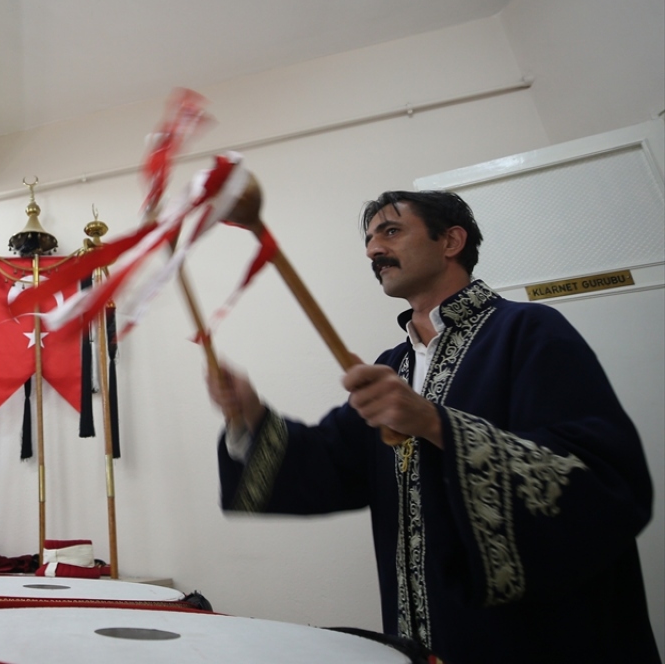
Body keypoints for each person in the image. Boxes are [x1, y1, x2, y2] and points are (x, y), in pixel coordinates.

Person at [210, 190, 657, 663]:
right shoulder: (393, 365)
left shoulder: (530, 331)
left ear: (450, 241)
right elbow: (330, 464)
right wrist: (251, 418)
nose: (372, 250)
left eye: (391, 230)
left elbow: (600, 480)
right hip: (421, 632)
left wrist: (435, 423)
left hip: (535, 638)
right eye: (368, 238)